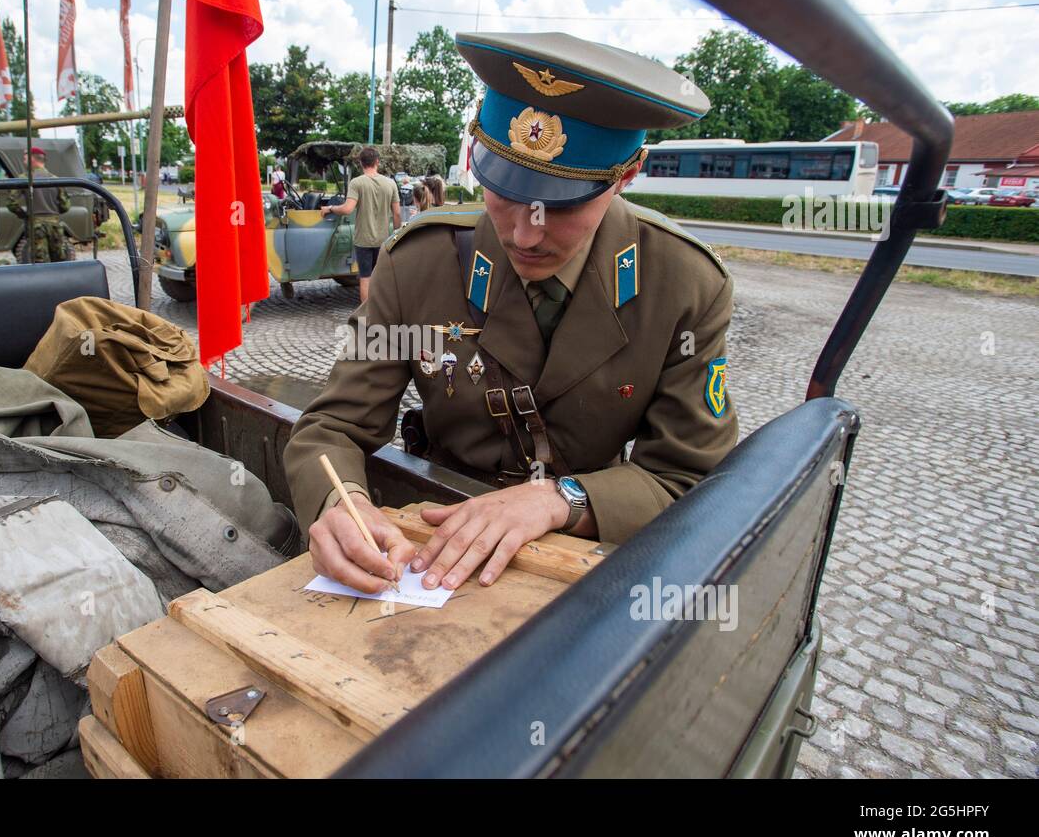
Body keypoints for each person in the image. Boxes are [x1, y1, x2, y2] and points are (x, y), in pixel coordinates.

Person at [284, 31, 738, 595]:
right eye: (504, 192)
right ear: (477, 157)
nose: (525, 234)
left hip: (581, 564)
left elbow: (691, 478)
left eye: (562, 204)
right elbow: (331, 427)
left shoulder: (683, 285)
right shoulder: (419, 265)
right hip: (432, 552)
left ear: (626, 175)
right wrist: (341, 503)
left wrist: (560, 499)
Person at [319, 146, 400, 303]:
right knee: (381, 278)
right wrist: (395, 232)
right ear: (377, 161)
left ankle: (365, 316)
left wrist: (330, 208)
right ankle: (381, 312)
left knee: (365, 278)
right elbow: (397, 213)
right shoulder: (390, 184)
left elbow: (347, 209)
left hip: (363, 240)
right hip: (384, 239)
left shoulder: (357, 183)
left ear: (361, 163)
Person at [8, 147, 72, 263]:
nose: (24, 161)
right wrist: (54, 212)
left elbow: (11, 203)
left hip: (36, 225)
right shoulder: (56, 180)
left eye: (25, 158)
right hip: (55, 226)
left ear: (32, 159)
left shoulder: (24, 179)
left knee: (40, 262)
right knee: (60, 261)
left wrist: (24, 215)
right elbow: (65, 206)